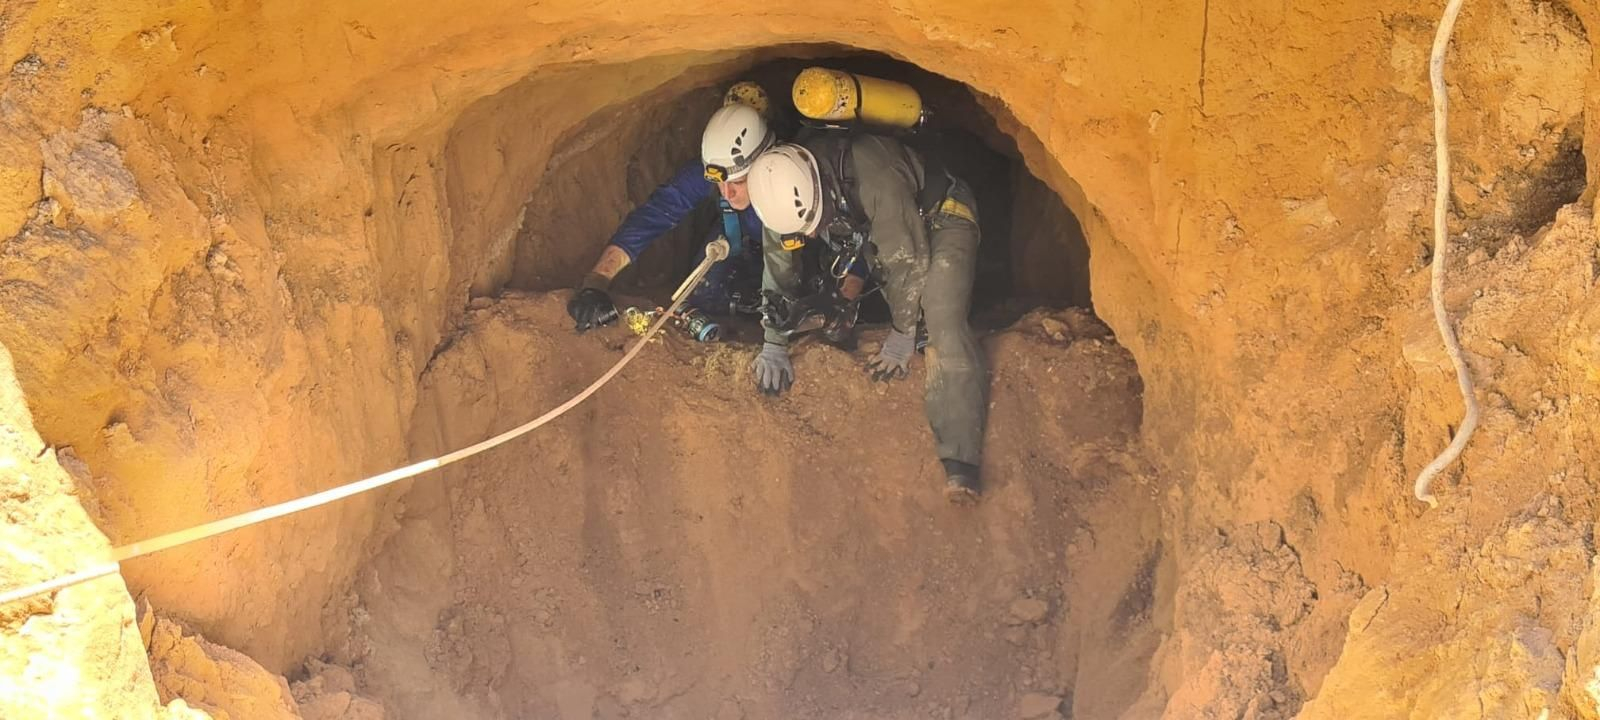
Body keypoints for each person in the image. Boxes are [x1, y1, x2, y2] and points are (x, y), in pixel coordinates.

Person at [745, 133, 985, 503]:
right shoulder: (775, 192)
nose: (812, 234)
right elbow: (778, 266)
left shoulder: (876, 176)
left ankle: (960, 459)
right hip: (867, 224)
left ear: (817, 192)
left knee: (941, 316)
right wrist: (774, 340)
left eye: (814, 224)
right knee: (838, 293)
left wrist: (902, 332)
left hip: (940, 215)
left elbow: (905, 262)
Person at [566, 83, 777, 332]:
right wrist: (597, 280)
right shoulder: (705, 174)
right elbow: (652, 217)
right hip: (737, 237)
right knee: (703, 295)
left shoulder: (794, 181)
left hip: (789, 248)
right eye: (719, 183)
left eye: (738, 182)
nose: (727, 193)